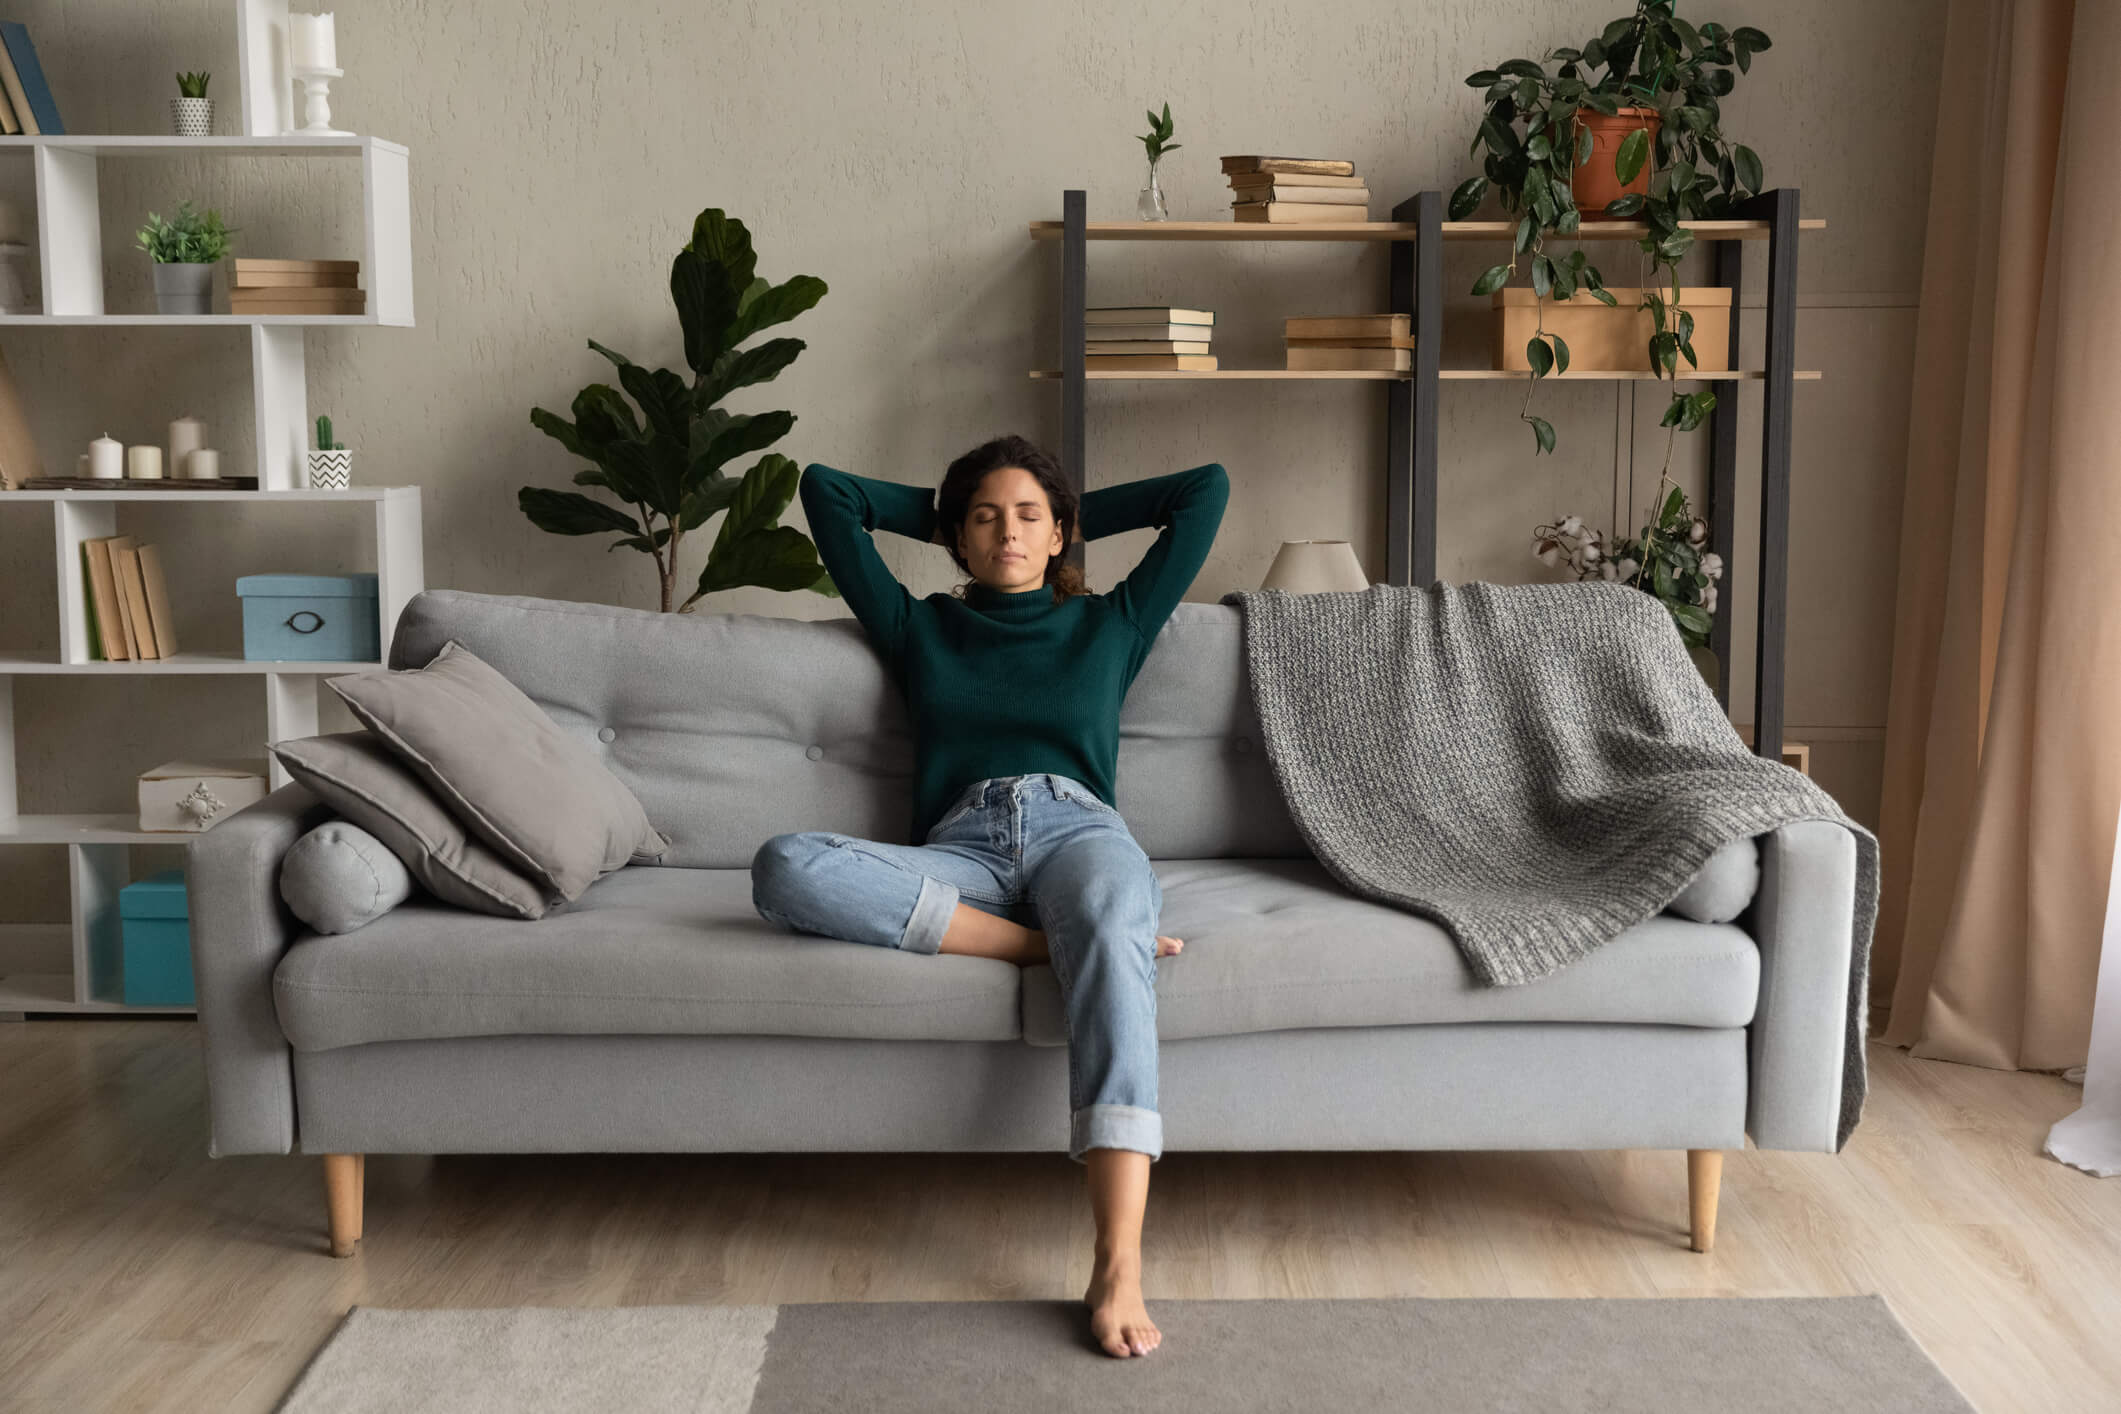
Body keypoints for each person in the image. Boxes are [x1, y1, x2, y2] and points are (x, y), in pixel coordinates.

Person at [750, 434, 1229, 1359]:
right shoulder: (918, 624)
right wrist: (953, 508)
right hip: (959, 850)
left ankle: (1118, 1262)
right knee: (785, 865)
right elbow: (828, 492)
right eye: (983, 518)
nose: (1005, 531)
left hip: (1079, 831)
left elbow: (1200, 489)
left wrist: (1058, 504)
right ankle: (1048, 948)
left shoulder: (1114, 621)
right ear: (956, 542)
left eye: (1026, 518)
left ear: (1060, 538)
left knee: (1106, 909)